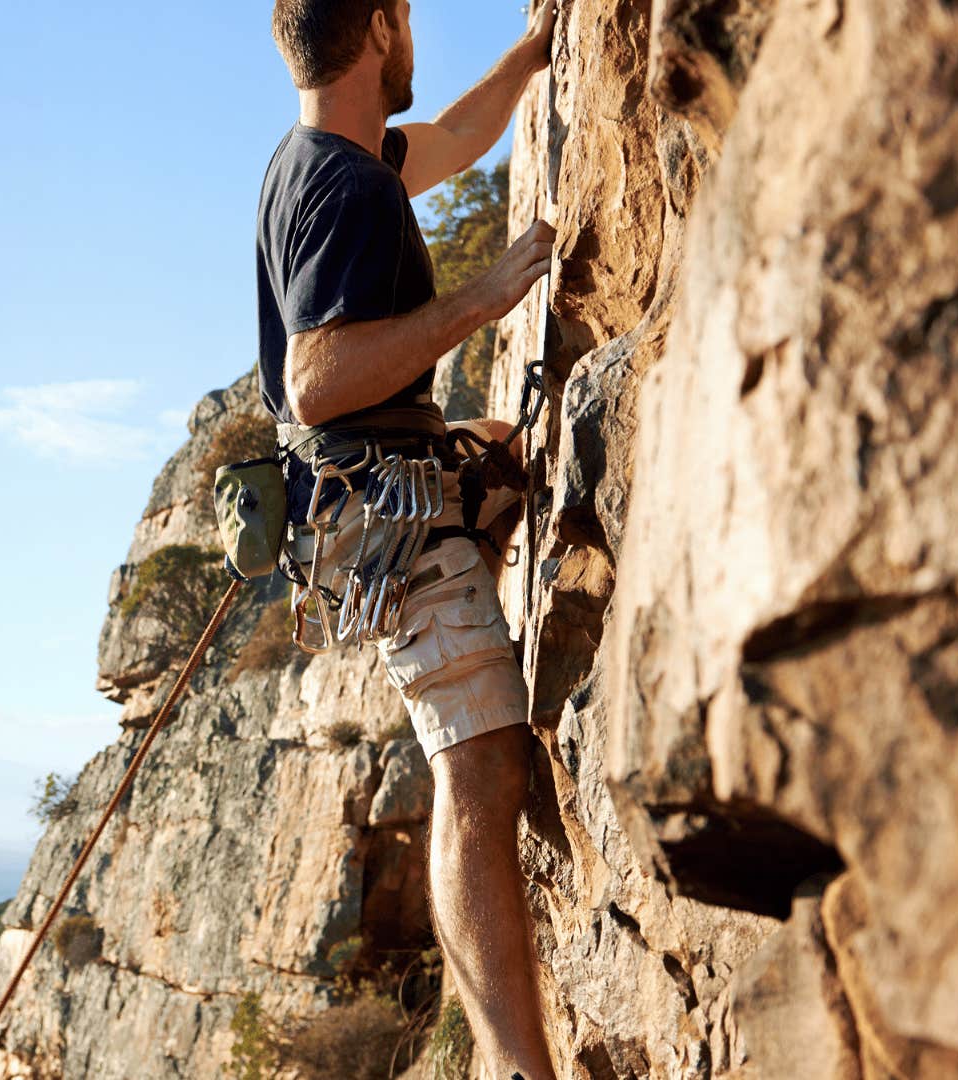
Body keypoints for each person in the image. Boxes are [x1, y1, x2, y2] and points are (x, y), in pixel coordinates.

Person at [257, 1, 559, 1077]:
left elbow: (464, 139)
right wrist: (483, 297)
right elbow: (317, 379)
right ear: (381, 29)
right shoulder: (345, 191)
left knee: (509, 448)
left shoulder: (338, 162)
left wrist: (532, 55)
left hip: (381, 498)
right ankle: (522, 1067)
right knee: (478, 775)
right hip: (385, 516)